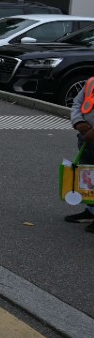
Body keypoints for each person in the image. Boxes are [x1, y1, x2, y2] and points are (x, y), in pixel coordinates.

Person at [66, 76, 94, 226]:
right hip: (87, 139)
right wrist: (78, 122)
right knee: (88, 176)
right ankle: (91, 210)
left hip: (90, 135)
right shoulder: (91, 82)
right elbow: (77, 103)